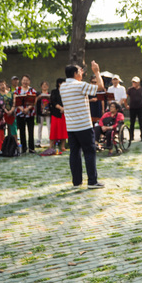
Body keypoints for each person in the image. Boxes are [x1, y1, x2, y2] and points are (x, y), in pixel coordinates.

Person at [60, 61, 105, 189]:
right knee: (89, 152)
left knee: (74, 154)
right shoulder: (80, 85)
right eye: (80, 71)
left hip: (71, 126)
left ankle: (77, 182)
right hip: (84, 125)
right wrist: (96, 71)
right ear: (75, 73)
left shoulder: (62, 87)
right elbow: (100, 87)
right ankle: (92, 181)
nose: (82, 73)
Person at [14, 74, 36, 153]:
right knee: (22, 131)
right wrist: (21, 108)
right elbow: (15, 100)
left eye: (26, 80)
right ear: (21, 81)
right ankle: (23, 147)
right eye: (24, 80)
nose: (25, 82)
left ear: (29, 81)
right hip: (20, 113)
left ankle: (31, 148)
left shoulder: (32, 90)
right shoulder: (17, 90)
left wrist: (27, 108)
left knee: (31, 131)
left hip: (30, 113)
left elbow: (34, 101)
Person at [125, 76, 142, 141]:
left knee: (141, 122)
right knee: (132, 123)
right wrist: (126, 105)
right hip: (132, 108)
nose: (133, 83)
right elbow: (125, 97)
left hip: (140, 108)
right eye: (133, 82)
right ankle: (131, 136)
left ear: (138, 83)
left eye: (135, 82)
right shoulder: (130, 89)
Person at [49, 78, 67, 152]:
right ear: (59, 84)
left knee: (64, 130)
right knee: (54, 129)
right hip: (56, 113)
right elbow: (53, 101)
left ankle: (62, 146)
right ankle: (51, 146)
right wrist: (60, 108)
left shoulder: (67, 92)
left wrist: (64, 109)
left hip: (64, 114)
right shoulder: (54, 91)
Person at [35, 81, 51, 148]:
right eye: (43, 85)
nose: (44, 86)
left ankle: (50, 140)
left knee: (49, 127)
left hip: (48, 112)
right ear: (41, 86)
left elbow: (52, 101)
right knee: (40, 127)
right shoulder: (38, 93)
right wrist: (39, 97)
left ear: (48, 86)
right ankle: (39, 139)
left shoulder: (50, 93)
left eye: (46, 85)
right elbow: (34, 101)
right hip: (40, 112)